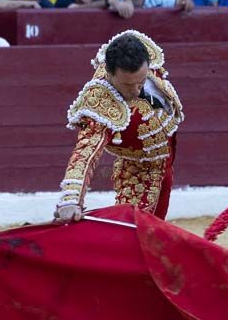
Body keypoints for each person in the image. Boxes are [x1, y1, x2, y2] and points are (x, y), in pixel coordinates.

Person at [54, 30, 183, 221]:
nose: (136, 90)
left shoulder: (140, 53)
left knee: (157, 232)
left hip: (166, 164)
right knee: (134, 236)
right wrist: (71, 200)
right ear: (110, 73)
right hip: (139, 175)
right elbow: (85, 153)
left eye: (141, 81)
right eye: (127, 85)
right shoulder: (99, 102)